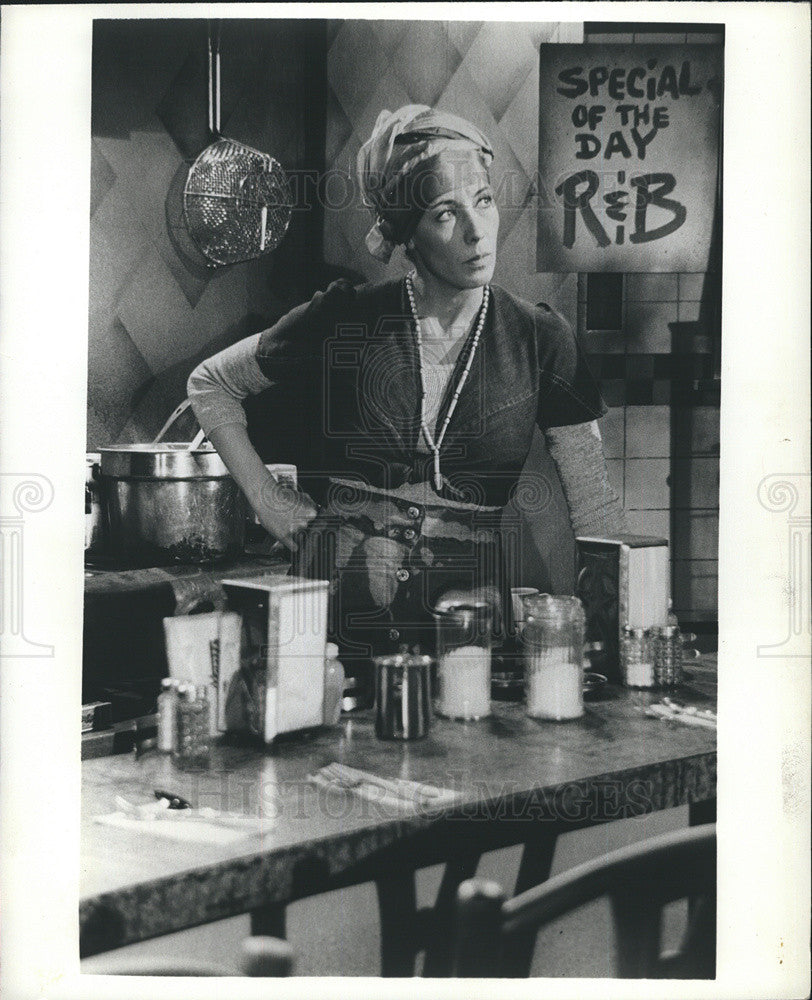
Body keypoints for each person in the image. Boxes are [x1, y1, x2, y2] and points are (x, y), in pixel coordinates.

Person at [188, 104, 627, 668]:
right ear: (408, 235)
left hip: (465, 624)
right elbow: (211, 383)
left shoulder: (540, 339)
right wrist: (268, 501)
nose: (476, 231)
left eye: (484, 202)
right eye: (446, 213)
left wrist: (621, 626)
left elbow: (594, 508)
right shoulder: (346, 317)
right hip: (331, 615)